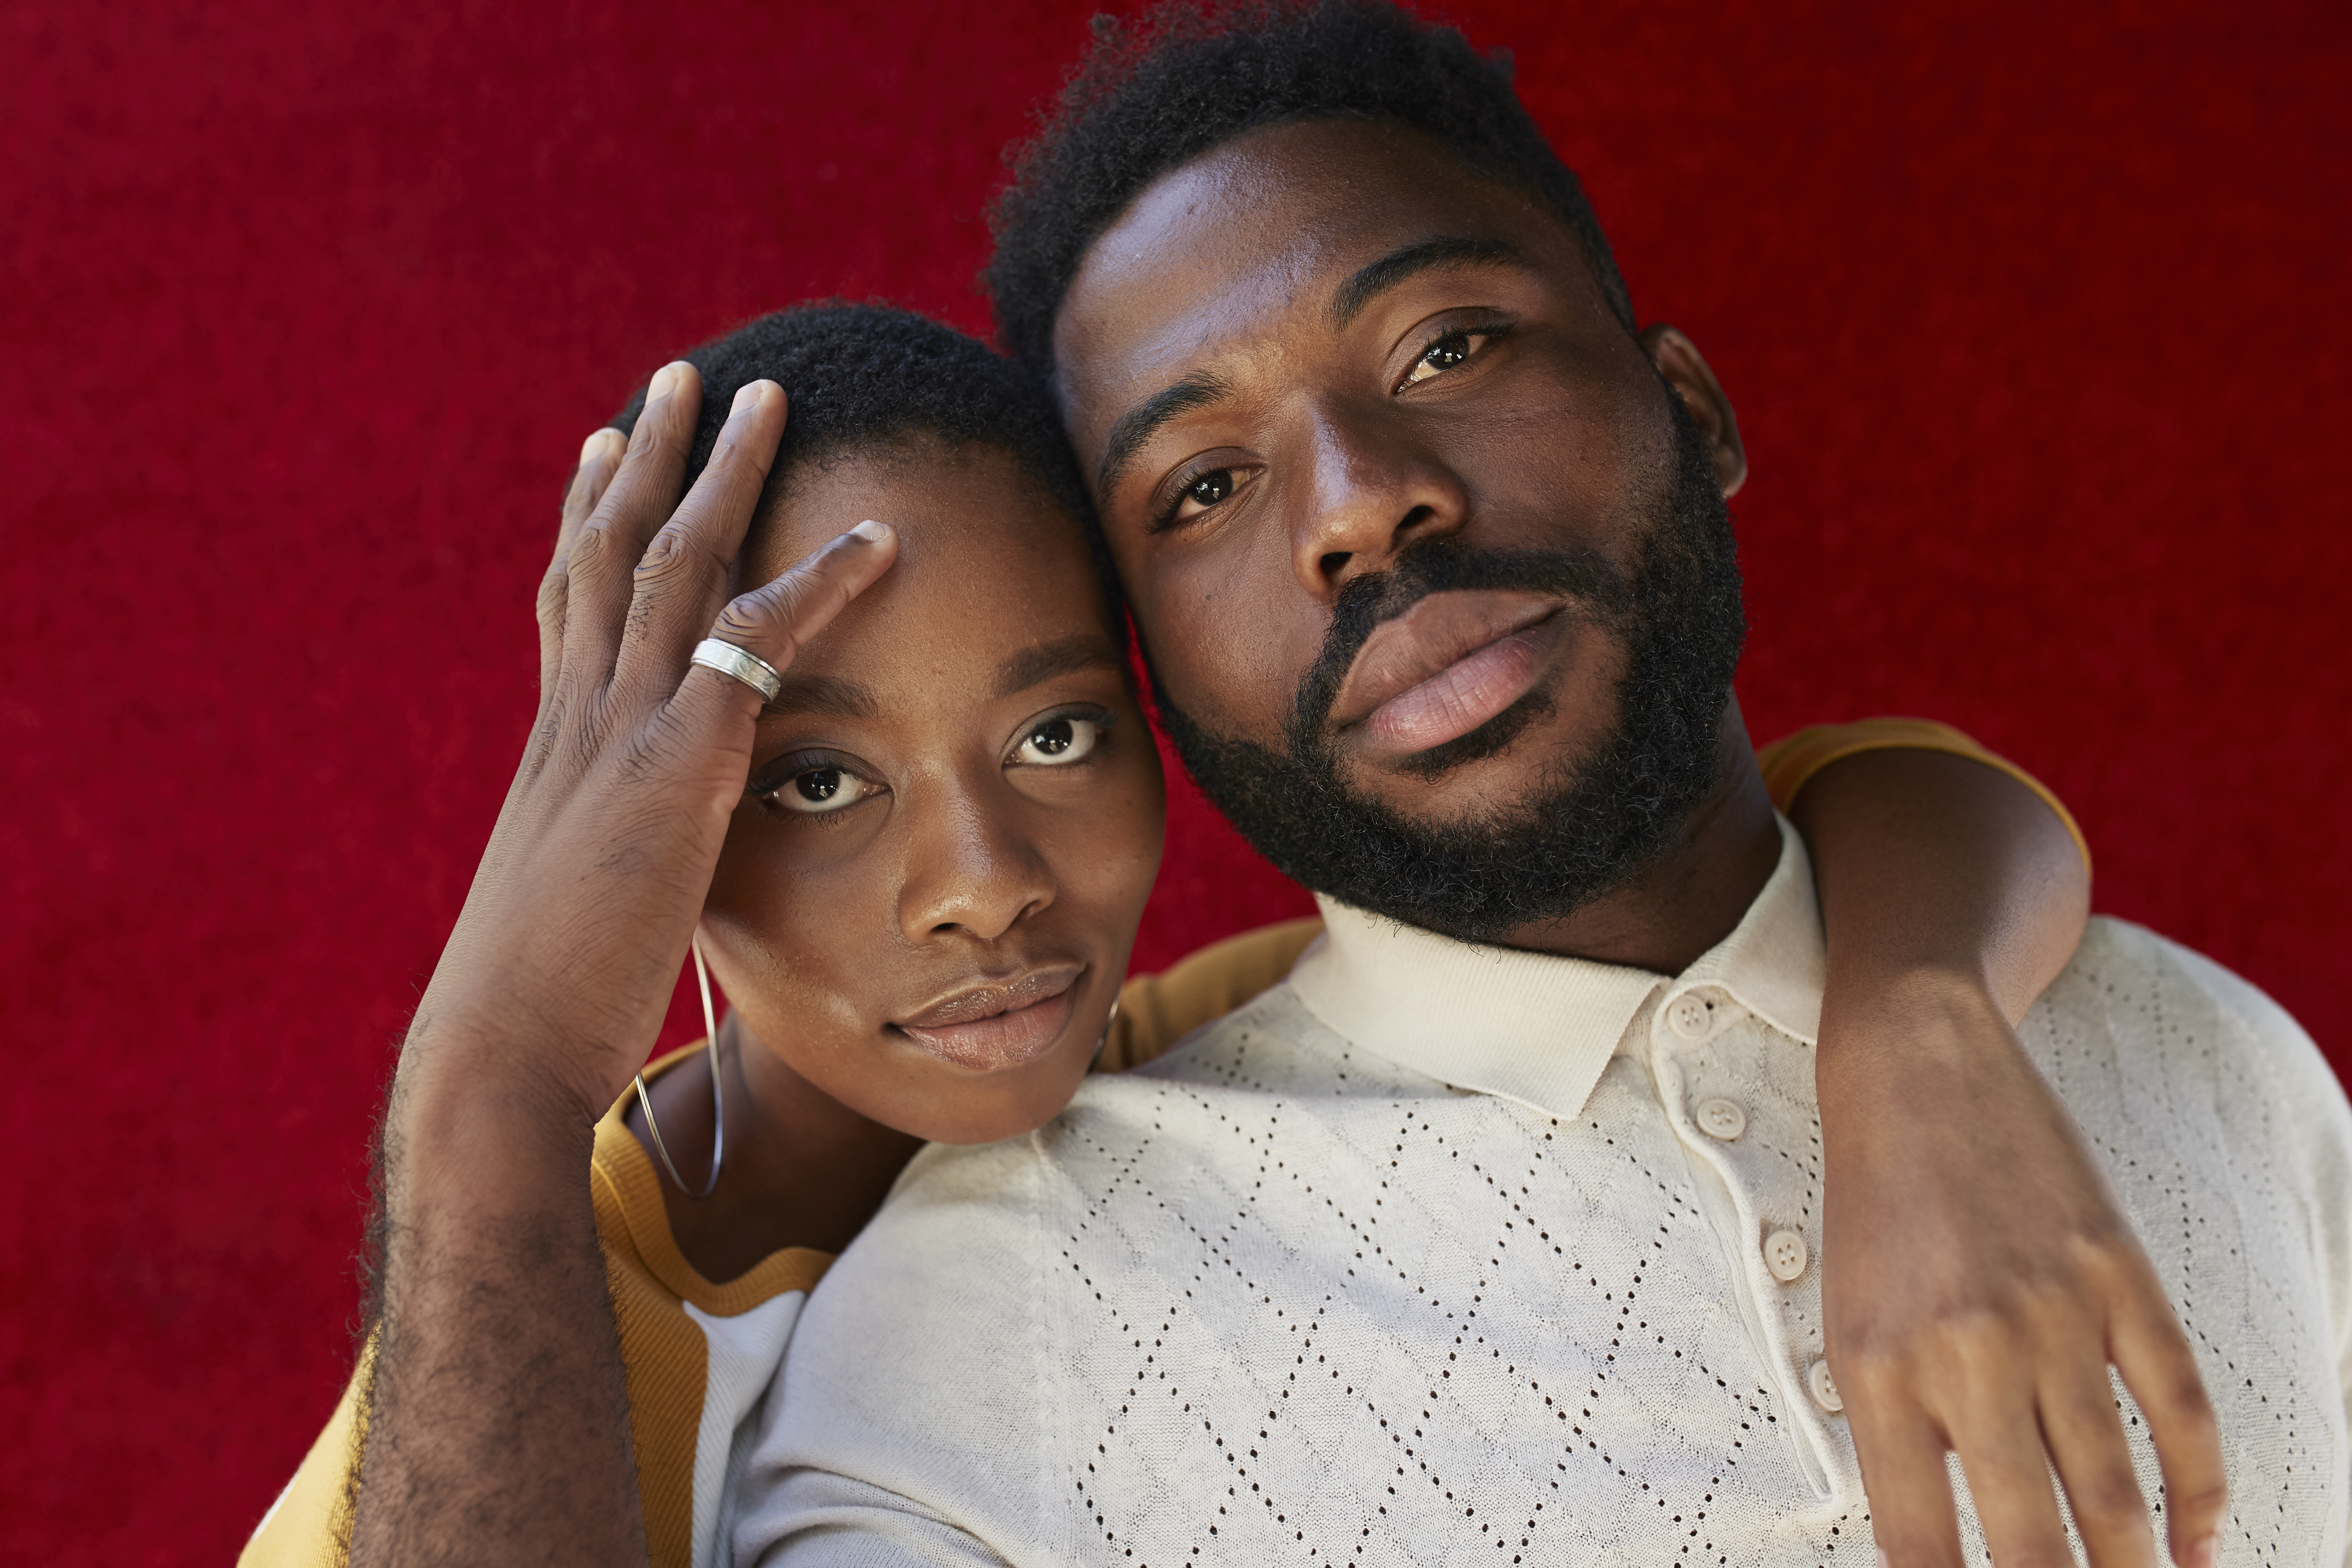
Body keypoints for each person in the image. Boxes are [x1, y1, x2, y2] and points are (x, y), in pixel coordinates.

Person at [728, 4, 2352, 1566]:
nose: (1360, 508)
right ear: (1156, 665)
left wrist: (1919, 1018)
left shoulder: (2213, 1058)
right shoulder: (977, 1337)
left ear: (1690, 407)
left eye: (1446, 345)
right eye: (1205, 481)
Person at [249, 298, 2159, 1568]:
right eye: (820, 781)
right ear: (640, 824)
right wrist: (489, 1080)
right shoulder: (522, 1319)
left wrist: (1917, 1021)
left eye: (1059, 731)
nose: (987, 880)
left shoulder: (1202, 1067)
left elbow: (1859, 793)